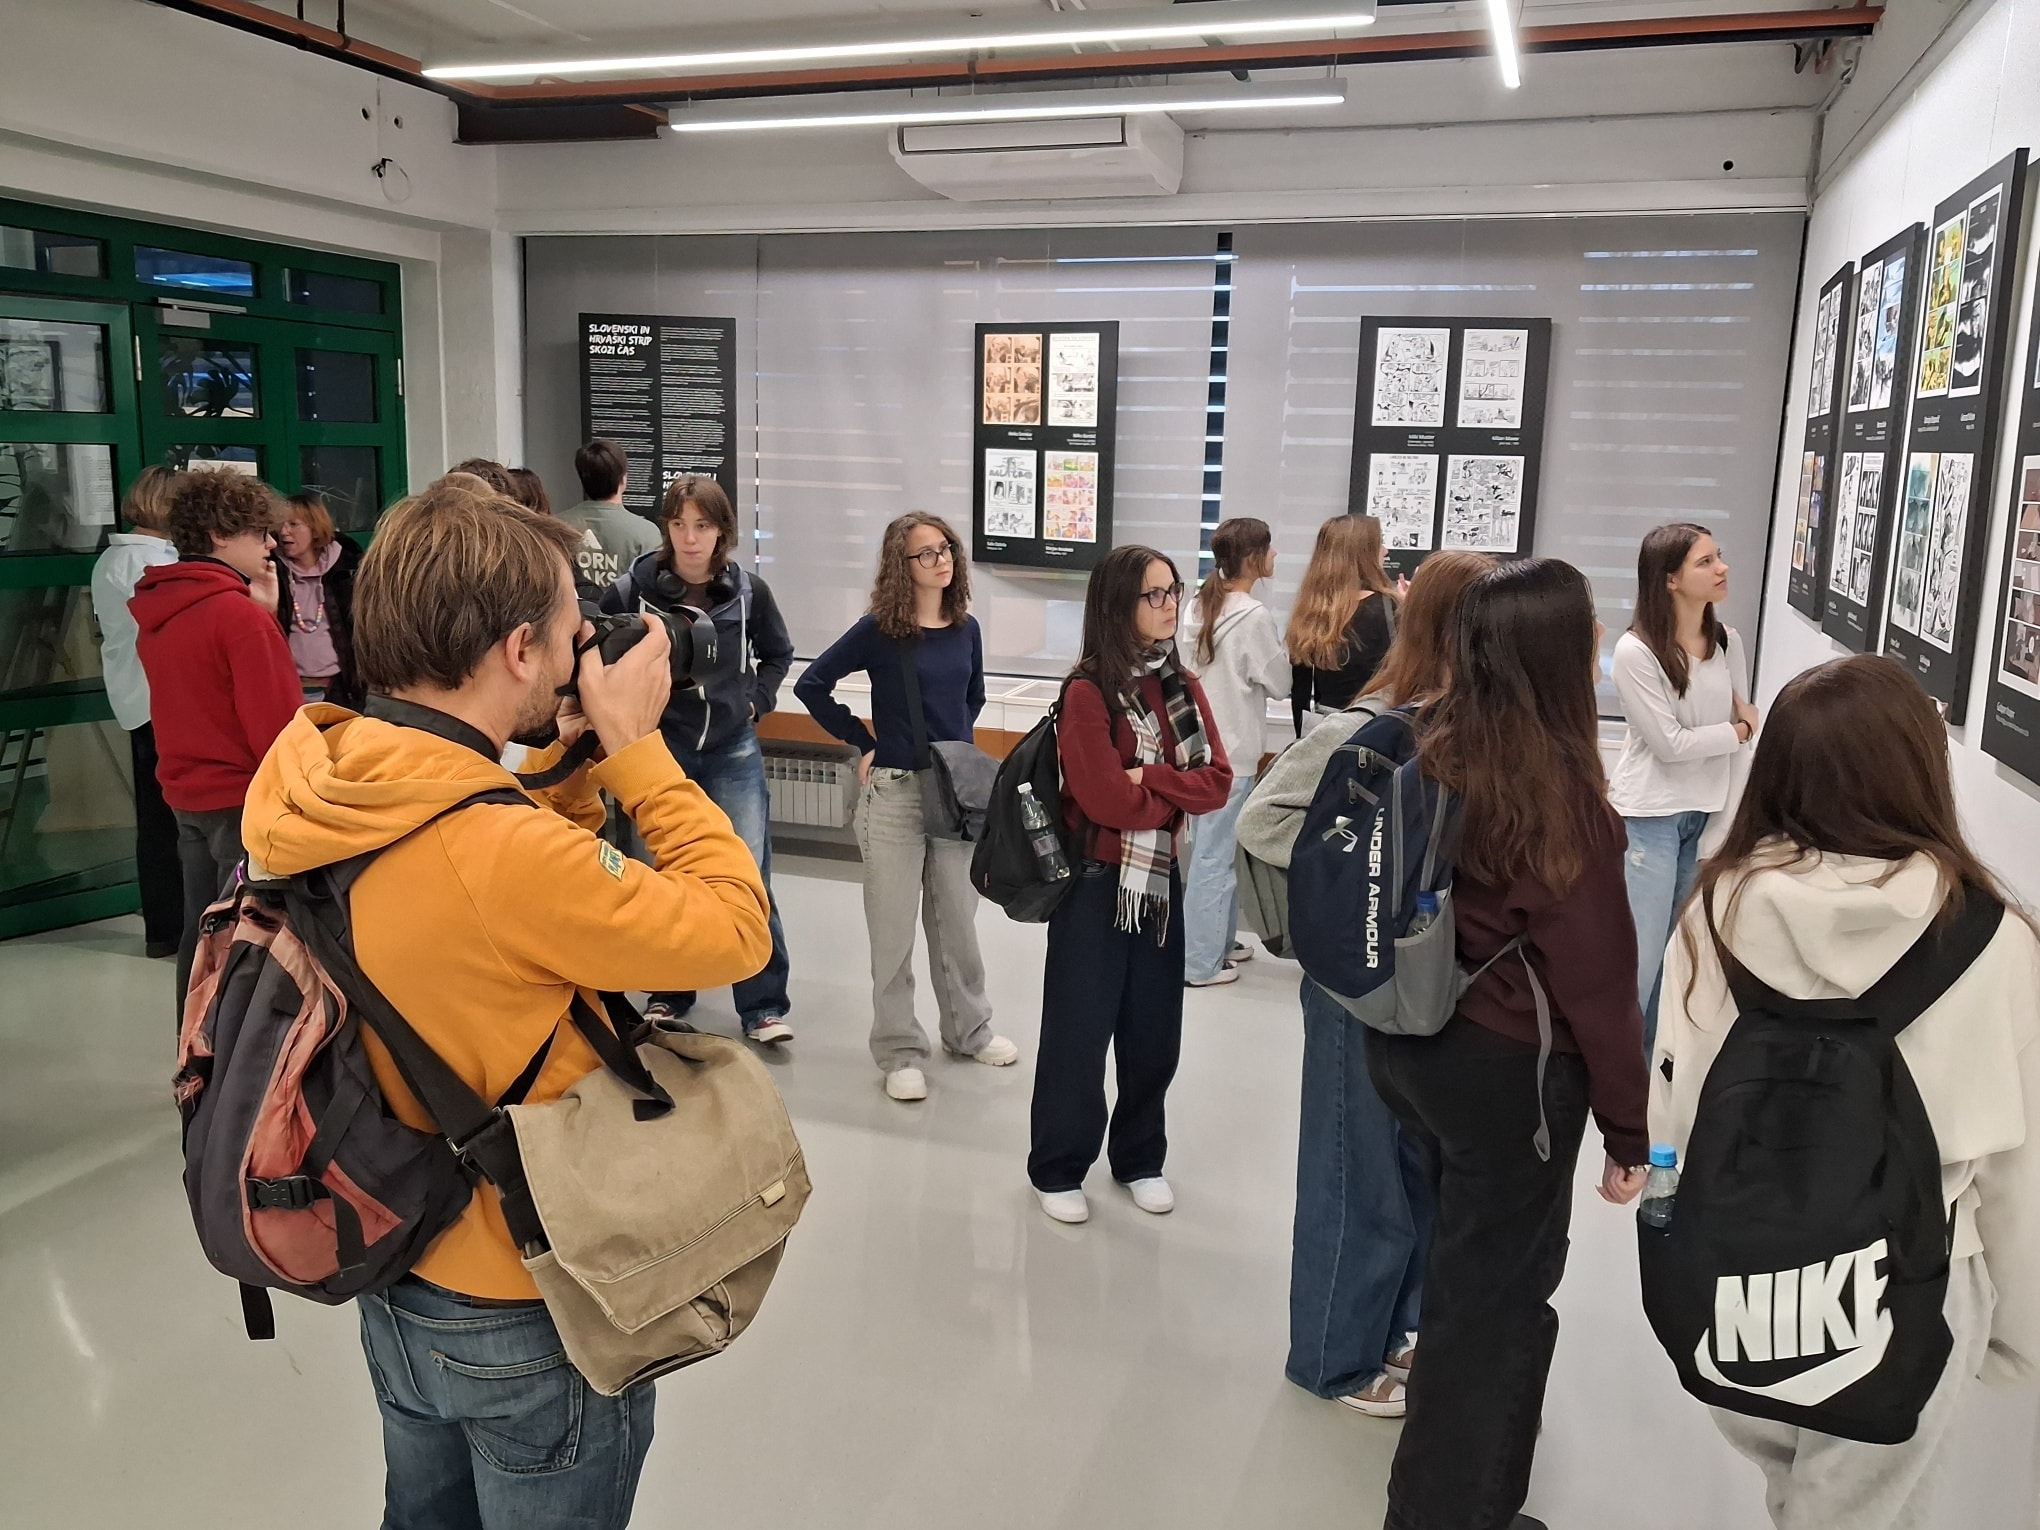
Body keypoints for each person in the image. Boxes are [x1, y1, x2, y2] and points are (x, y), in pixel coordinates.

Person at [240, 490, 771, 1530]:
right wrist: (639, 752)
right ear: (520, 650)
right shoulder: (497, 851)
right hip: (521, 1302)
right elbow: (734, 928)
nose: (583, 651)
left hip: (397, 1263)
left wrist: (565, 765)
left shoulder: (326, 771)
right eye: (572, 631)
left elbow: (486, 878)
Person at [1653, 654, 2040, 1530]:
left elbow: (1676, 1101)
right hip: (1917, 1276)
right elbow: (2018, 1169)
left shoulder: (1719, 909)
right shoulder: (1991, 937)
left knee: (1792, 1488)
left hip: (1745, 1269)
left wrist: (1674, 1237)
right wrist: (2017, 1327)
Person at [1364, 558, 1649, 1530]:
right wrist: (1628, 1131)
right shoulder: (1561, 801)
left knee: (1462, 1290)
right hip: (1508, 1079)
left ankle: (1444, 1501)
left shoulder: (1432, 749)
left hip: (1414, 1050)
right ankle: (1453, 1515)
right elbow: (1600, 990)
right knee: (1496, 1314)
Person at [1238, 548, 1493, 1418]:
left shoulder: (1459, 721)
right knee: (1356, 1169)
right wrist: (1365, 877)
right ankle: (1333, 1358)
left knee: (1410, 1163)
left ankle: (1390, 1329)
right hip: (1357, 980)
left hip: (1416, 981)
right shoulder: (1374, 722)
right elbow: (1266, 820)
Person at [1028, 545, 1233, 1224]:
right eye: (1154, 594)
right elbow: (1104, 799)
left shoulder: (1181, 685)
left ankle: (1140, 1159)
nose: (1170, 604)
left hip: (1158, 887)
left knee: (1153, 1036)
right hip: (1095, 889)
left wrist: (1151, 780)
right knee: (1078, 1036)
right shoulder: (1087, 690)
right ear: (1119, 604)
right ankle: (1058, 1168)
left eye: (1174, 590)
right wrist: (1170, 796)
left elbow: (1219, 782)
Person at [795, 513, 1017, 1101]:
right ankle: (899, 1050)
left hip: (954, 795)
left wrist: (951, 752)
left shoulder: (966, 629)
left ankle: (969, 1030)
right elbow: (812, 684)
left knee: (957, 922)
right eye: (926, 554)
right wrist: (863, 741)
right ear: (902, 565)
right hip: (893, 793)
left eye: (946, 549)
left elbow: (972, 697)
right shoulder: (879, 631)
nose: (942, 560)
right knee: (892, 931)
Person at [600, 475, 797, 1044]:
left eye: (702, 526)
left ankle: (762, 1006)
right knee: (661, 876)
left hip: (733, 748)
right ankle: (669, 991)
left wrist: (757, 700)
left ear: (721, 532)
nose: (690, 538)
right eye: (679, 525)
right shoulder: (634, 589)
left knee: (749, 874)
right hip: (660, 749)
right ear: (666, 529)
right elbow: (594, 642)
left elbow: (778, 653)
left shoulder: (750, 592)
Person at [130, 471, 304, 1015]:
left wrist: (264, 617)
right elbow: (277, 731)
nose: (271, 543)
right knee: (248, 939)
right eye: (259, 532)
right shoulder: (237, 617)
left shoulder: (162, 611)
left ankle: (192, 1047)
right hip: (243, 799)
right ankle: (235, 1053)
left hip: (187, 793)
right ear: (221, 535)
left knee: (200, 927)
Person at [1610, 522, 1758, 1052]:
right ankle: (1620, 1078)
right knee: (1640, 965)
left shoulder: (1727, 641)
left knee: (1681, 963)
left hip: (1706, 815)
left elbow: (1736, 745)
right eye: (1705, 562)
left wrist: (1734, 741)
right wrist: (1738, 730)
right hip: (1649, 818)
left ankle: (1657, 1079)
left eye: (1719, 556)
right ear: (1669, 580)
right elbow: (1671, 744)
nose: (1722, 568)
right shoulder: (1635, 651)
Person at [1177, 516, 1289, 988]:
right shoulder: (1254, 617)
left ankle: (1219, 946)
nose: (1276, 555)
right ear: (1253, 559)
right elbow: (1280, 683)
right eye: (1270, 548)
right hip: (1234, 755)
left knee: (1213, 853)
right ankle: (1198, 963)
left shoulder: (1197, 605)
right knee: (1214, 859)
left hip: (1199, 750)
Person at [89, 465, 184, 958]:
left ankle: (163, 930)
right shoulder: (151, 563)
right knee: (177, 822)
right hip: (161, 699)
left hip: (136, 697)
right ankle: (181, 926)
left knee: (156, 818)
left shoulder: (113, 558)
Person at [1288, 513, 1399, 735]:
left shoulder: (1311, 612)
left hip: (1326, 729)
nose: (1385, 551)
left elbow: (1300, 693)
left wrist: (1303, 740)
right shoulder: (1390, 606)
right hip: (1375, 729)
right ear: (1363, 553)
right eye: (1379, 543)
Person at [271, 491, 364, 709]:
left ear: (314, 528)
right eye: (281, 525)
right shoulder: (271, 570)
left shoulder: (347, 569)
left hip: (340, 688)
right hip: (290, 686)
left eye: (293, 524)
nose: (284, 532)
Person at [557, 438, 659, 594]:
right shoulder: (647, 534)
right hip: (626, 610)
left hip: (572, 609)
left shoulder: (556, 527)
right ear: (623, 479)